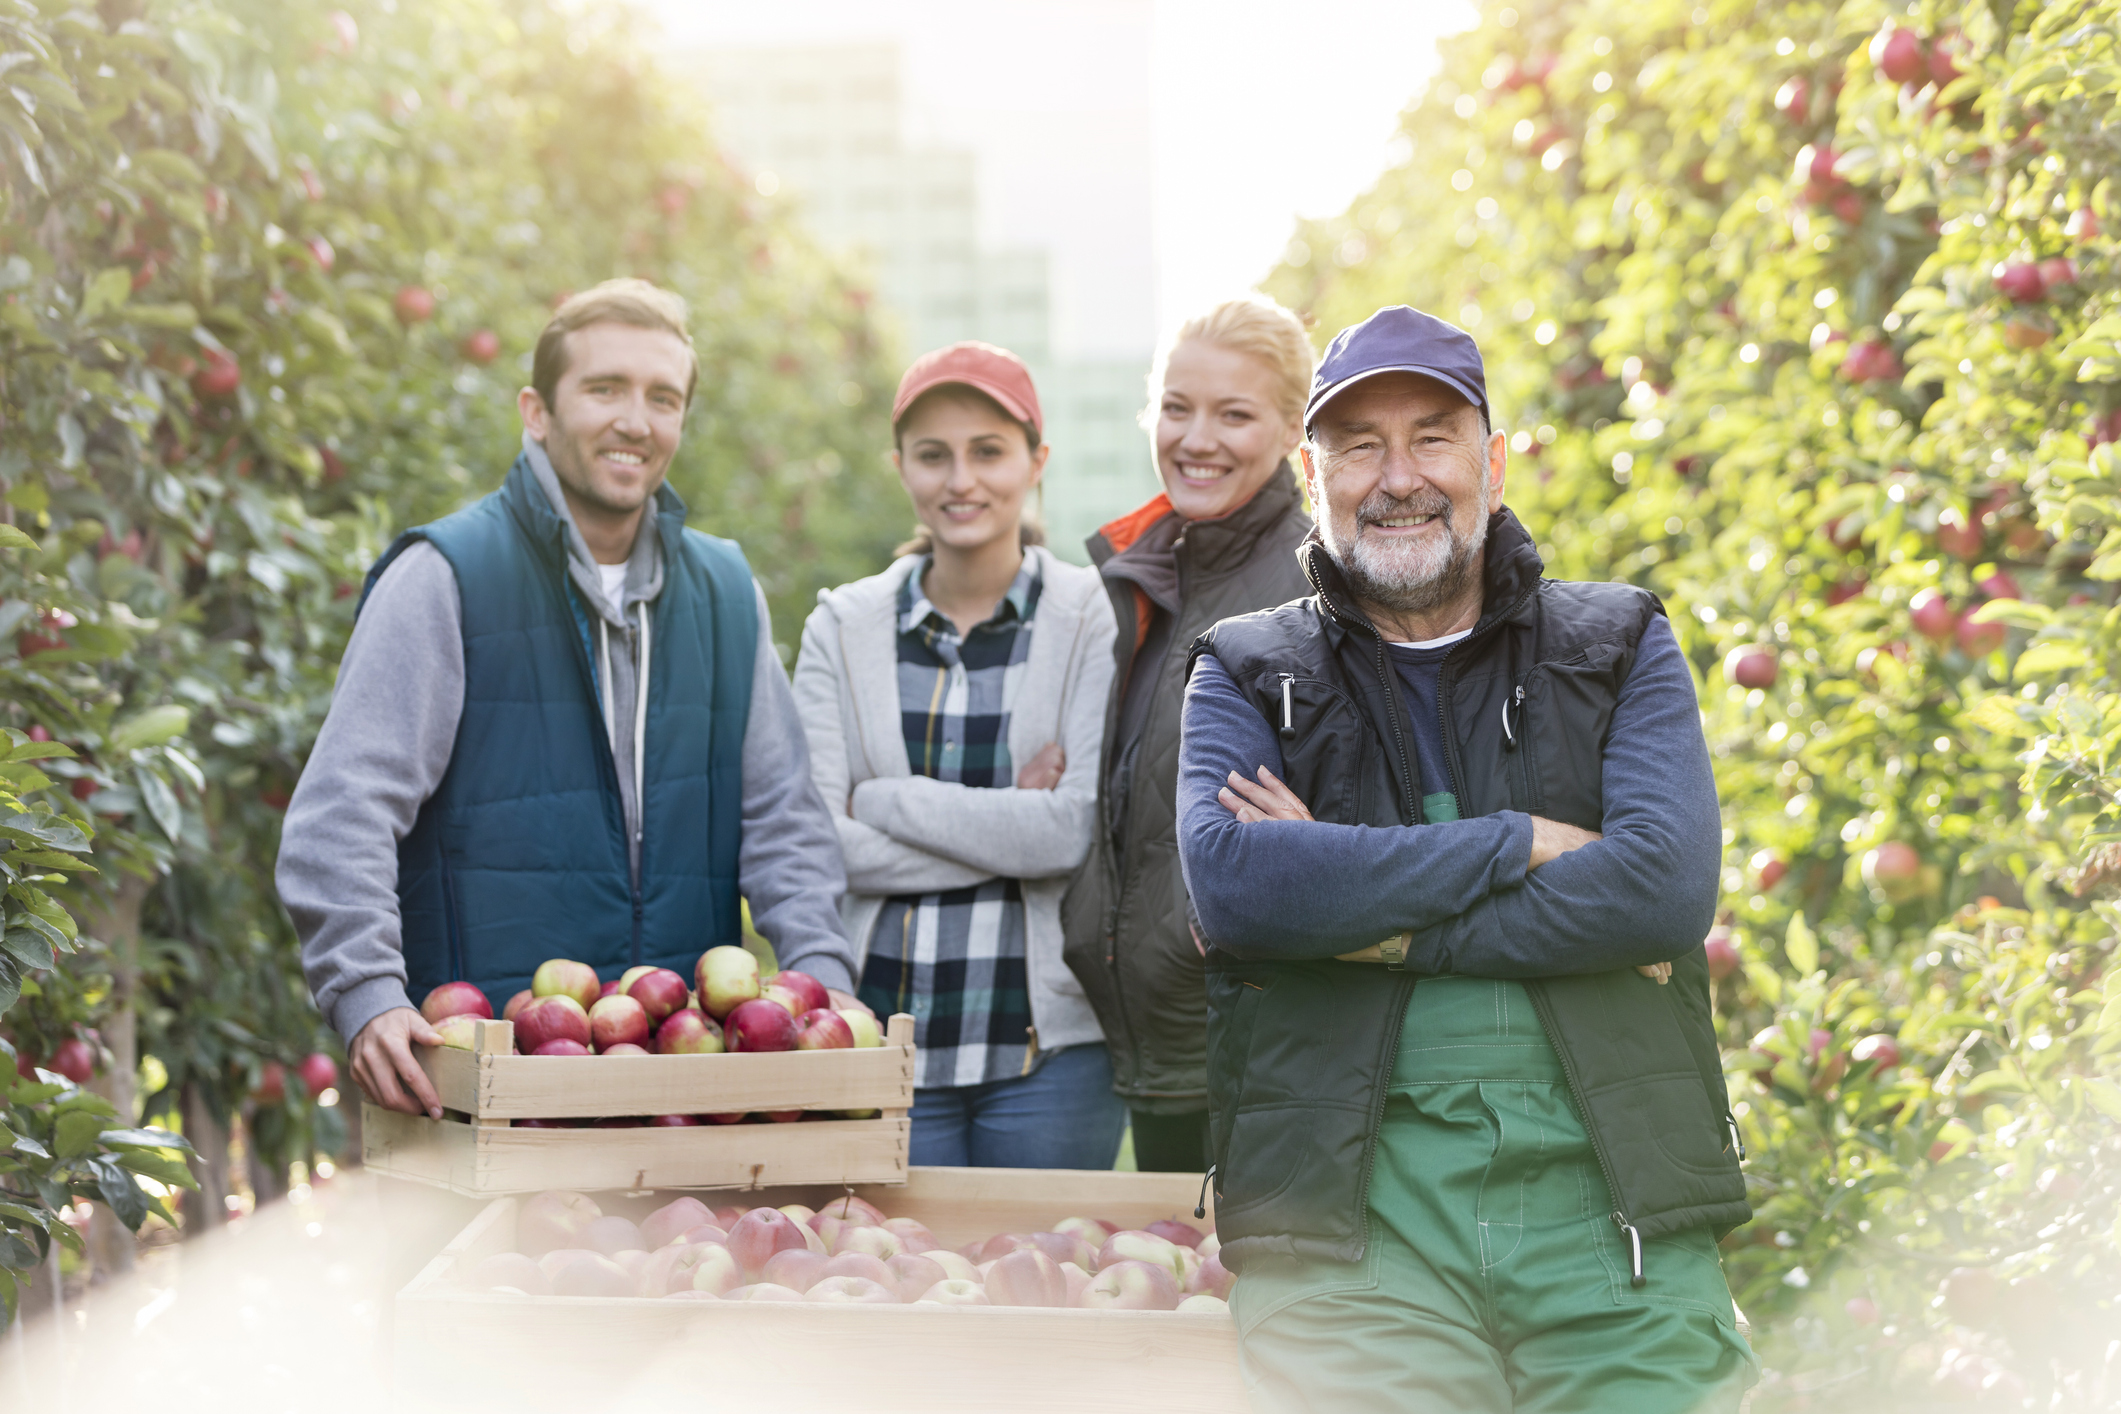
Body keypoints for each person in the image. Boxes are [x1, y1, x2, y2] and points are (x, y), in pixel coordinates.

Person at [1178, 306, 1755, 1412]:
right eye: (1359, 445)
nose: (1399, 478)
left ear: (1490, 464)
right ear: (1312, 476)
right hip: (1350, 1231)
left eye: (1432, 438)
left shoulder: (1618, 643)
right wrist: (1516, 841)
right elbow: (1238, 890)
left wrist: (1361, 917)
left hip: (1611, 1215)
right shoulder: (1249, 670)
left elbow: (1660, 892)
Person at [278, 279, 860, 1117]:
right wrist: (366, 992)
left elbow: (784, 824)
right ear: (537, 413)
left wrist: (822, 993)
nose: (636, 421)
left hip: (683, 1090)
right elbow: (344, 809)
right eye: (605, 389)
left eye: (663, 398)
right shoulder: (446, 577)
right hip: (483, 1083)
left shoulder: (727, 595)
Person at [792, 342, 1123, 1168]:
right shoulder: (841, 628)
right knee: (882, 1254)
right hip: (874, 1040)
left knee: (1046, 1254)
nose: (960, 480)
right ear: (900, 466)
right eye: (933, 455)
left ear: (1036, 462)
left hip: (1049, 1052)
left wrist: (883, 800)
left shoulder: (1092, 615)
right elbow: (818, 842)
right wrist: (1008, 825)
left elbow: (1068, 834)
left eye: (988, 452)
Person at [1061, 296, 1315, 1173]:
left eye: (1233, 415)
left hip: (1262, 1037)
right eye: (1176, 407)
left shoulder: (1314, 587)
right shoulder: (1138, 574)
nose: (1196, 439)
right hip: (1155, 1033)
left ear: (1291, 429)